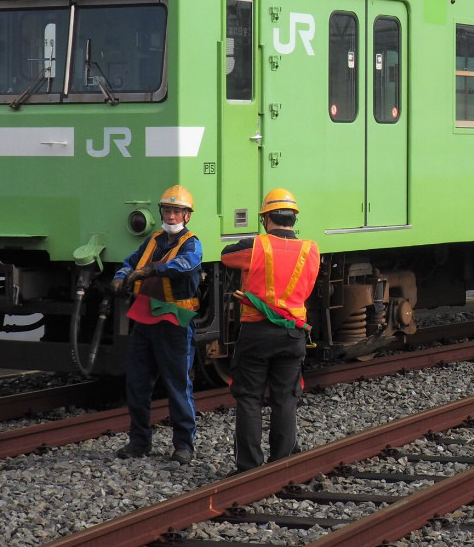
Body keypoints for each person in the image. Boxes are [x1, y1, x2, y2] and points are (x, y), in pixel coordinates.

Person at [221, 188, 321, 472]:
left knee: (250, 398)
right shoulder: (310, 249)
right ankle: (283, 462)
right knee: (285, 398)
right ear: (293, 218)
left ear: (266, 219)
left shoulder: (256, 246)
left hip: (256, 333)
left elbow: (226, 256)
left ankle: (249, 465)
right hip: (293, 334)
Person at [113, 185, 203, 465]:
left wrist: (151, 269)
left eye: (178, 211)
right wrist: (121, 275)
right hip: (145, 318)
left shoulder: (191, 243)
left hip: (174, 321)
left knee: (177, 385)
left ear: (187, 216)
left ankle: (183, 445)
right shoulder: (152, 240)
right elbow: (131, 262)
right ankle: (139, 442)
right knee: (138, 383)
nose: (172, 216)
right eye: (167, 210)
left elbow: (186, 264)